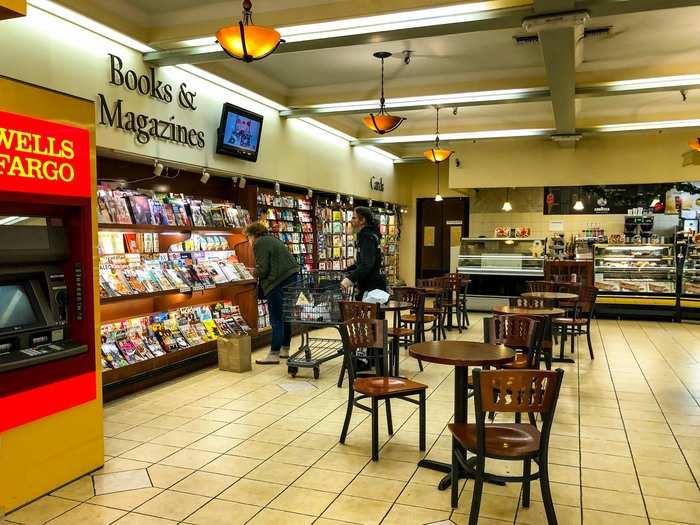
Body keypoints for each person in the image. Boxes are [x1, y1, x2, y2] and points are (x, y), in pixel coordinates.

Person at [245, 221, 299, 364]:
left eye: (248, 237)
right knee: (286, 315)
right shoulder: (272, 239)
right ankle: (284, 349)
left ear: (253, 235)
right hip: (291, 279)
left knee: (276, 318)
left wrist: (250, 272)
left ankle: (273, 354)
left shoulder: (260, 243)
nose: (248, 241)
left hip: (277, 282)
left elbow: (263, 269)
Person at [341, 206, 387, 299]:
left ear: (362, 220)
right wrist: (348, 269)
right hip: (372, 287)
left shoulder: (367, 237)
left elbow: (367, 264)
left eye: (354, 218)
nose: (351, 221)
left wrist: (350, 279)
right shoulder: (369, 234)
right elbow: (365, 261)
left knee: (370, 313)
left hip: (372, 289)